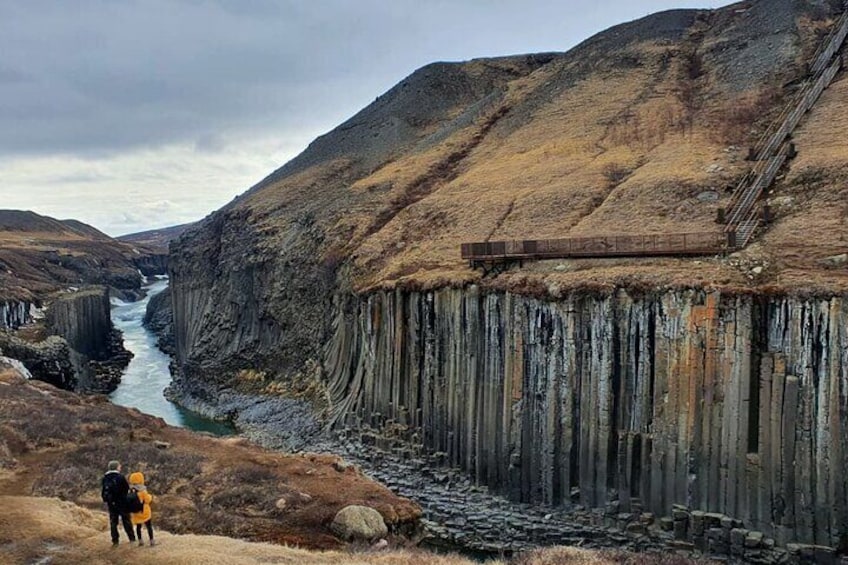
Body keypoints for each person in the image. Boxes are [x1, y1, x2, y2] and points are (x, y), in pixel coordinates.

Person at [101, 460, 136, 546]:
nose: (120, 467)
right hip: (122, 503)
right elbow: (126, 489)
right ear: (116, 467)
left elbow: (103, 490)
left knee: (113, 522)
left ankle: (115, 541)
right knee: (126, 521)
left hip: (111, 503)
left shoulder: (105, 477)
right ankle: (132, 539)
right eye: (119, 466)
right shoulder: (120, 477)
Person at [128, 471, 155, 546]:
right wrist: (150, 496)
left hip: (136, 512)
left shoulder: (130, 490)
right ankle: (151, 541)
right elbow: (147, 500)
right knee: (149, 526)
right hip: (144, 511)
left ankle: (140, 541)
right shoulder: (142, 490)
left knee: (138, 527)